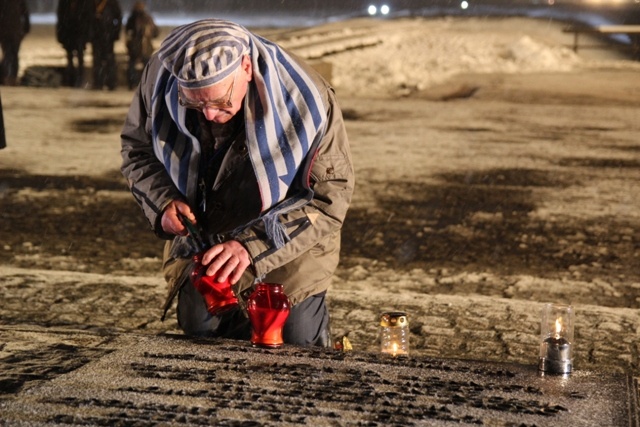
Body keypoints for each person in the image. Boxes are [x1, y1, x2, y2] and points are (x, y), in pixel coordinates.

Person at [121, 19, 354, 347]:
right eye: (194, 104)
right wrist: (162, 201)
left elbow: (330, 197)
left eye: (220, 102)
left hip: (288, 235)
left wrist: (251, 245)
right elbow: (138, 150)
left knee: (293, 338)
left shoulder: (307, 100)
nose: (209, 116)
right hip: (208, 233)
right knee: (199, 328)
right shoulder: (159, 83)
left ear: (246, 66)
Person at [56, 0, 95, 88]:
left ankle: (78, 79)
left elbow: (88, 17)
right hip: (70, 33)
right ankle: (73, 79)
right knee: (71, 59)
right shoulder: (66, 3)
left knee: (79, 58)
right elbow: (61, 17)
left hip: (78, 33)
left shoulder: (83, 3)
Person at [125, 1, 159, 89]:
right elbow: (129, 32)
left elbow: (155, 32)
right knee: (136, 65)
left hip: (143, 46)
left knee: (145, 65)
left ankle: (142, 83)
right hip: (137, 46)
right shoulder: (134, 18)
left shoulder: (146, 18)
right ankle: (137, 83)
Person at [92, 0, 122, 90]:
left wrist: (114, 32)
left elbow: (118, 17)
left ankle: (109, 82)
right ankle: (99, 82)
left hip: (107, 36)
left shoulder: (111, 3)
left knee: (108, 60)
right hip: (99, 36)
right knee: (99, 60)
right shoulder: (94, 3)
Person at [0, 0, 30, 86]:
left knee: (8, 54)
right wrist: (26, 28)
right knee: (13, 54)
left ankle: (7, 76)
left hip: (5, 30)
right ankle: (12, 77)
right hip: (15, 30)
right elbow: (25, 12)